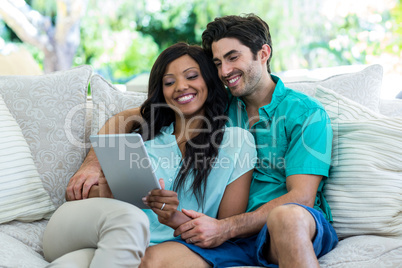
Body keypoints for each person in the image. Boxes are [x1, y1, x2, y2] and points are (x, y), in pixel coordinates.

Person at [66, 14, 339, 268]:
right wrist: (93, 163)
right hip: (234, 238)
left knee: (287, 218)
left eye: (233, 58)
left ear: (263, 53)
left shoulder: (306, 114)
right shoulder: (220, 104)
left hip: (282, 226)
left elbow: (301, 197)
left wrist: (227, 227)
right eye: (218, 63)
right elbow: (129, 117)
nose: (225, 71)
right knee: (151, 259)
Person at [43, 42, 256, 267]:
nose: (181, 86)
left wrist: (174, 218)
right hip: (100, 229)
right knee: (126, 224)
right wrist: (106, 193)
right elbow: (85, 200)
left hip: (135, 248)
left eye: (192, 76)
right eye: (169, 82)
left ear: (209, 81)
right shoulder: (142, 138)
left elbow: (223, 230)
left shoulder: (237, 141)